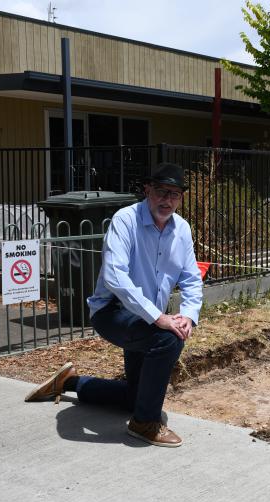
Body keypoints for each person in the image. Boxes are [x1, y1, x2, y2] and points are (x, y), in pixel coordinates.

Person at [25, 162, 203, 448]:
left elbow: (192, 278)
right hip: (113, 312)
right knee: (168, 340)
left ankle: (68, 383)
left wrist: (188, 316)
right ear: (147, 191)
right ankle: (144, 424)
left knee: (136, 397)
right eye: (161, 192)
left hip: (146, 318)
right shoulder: (126, 220)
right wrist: (160, 318)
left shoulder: (181, 229)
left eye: (174, 194)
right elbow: (115, 276)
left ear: (180, 198)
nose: (167, 200)